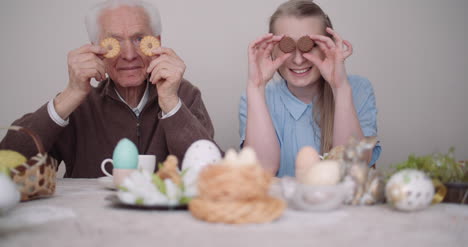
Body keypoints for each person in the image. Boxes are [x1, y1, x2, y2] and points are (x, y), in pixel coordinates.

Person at [0, 0, 216, 178]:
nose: (129, 55)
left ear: (157, 42)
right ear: (95, 49)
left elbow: (211, 173)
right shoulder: (79, 104)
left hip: (163, 224)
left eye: (139, 39)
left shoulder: (185, 95)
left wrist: (170, 102)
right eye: (114, 42)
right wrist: (70, 96)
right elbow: (6, 164)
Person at [239, 0, 381, 176]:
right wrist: (256, 87)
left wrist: (340, 88)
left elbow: (353, 168)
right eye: (287, 45)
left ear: (327, 46)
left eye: (311, 45)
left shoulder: (358, 89)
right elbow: (260, 172)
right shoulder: (255, 97)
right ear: (272, 49)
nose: (298, 60)